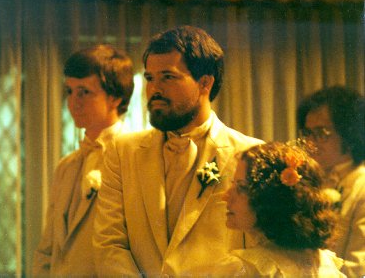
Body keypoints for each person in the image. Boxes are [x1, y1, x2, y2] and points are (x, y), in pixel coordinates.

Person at [93, 25, 263, 276]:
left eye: (168, 77)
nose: (154, 90)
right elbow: (109, 244)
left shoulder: (249, 154)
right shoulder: (121, 152)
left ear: (204, 83)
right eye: (150, 78)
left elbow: (256, 254)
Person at [32, 44, 134, 276]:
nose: (73, 102)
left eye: (84, 92)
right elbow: (48, 248)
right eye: (69, 91)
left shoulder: (132, 157)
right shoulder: (66, 166)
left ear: (115, 98)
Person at [211, 142, 345, 277]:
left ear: (270, 199)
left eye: (241, 188)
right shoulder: (325, 263)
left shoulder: (246, 269)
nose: (226, 196)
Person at [297, 85, 365, 277]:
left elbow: (359, 267)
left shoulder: (362, 185)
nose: (311, 142)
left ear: (349, 133)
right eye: (308, 133)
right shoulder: (307, 180)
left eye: (321, 133)